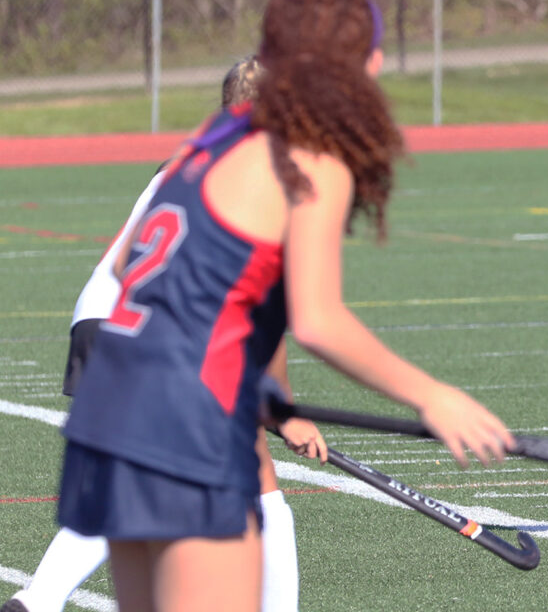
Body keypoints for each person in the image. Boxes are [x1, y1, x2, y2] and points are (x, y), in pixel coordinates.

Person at [53, 0, 515, 612]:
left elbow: (167, 284)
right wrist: (432, 396)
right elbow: (317, 320)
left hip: (109, 412)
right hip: (185, 421)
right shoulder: (307, 158)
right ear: (369, 64)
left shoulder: (201, 144)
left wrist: (270, 399)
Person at [2, 57, 324, 612]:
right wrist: (281, 407)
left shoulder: (191, 156)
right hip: (161, 331)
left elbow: (133, 258)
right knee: (257, 473)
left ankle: (39, 600)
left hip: (102, 314)